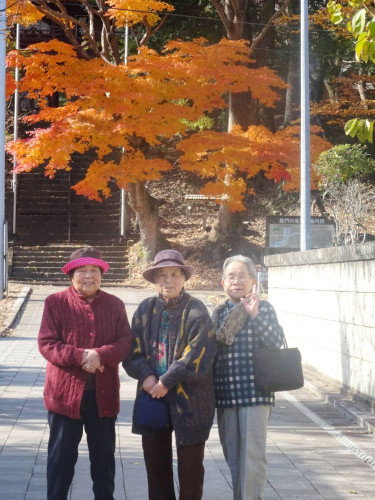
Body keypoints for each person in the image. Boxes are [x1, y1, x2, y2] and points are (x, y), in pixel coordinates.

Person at [38, 247, 133, 500]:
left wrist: (101, 355)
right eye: (82, 270)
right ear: (71, 275)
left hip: (103, 399)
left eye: (94, 270)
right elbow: (47, 343)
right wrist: (82, 356)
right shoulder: (55, 303)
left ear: (102, 274)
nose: (88, 276)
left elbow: (125, 341)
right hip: (64, 399)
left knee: (104, 465)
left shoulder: (115, 305)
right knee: (60, 463)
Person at [123, 249, 217, 500]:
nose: (168, 280)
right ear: (155, 279)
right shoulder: (144, 309)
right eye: (162, 275)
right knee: (156, 469)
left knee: (191, 474)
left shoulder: (197, 310)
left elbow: (199, 355)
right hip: (152, 398)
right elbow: (132, 352)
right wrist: (147, 376)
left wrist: (166, 380)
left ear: (183, 277)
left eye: (174, 274)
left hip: (192, 402)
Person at [213, 255, 285, 500]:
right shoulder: (218, 313)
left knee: (252, 457)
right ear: (223, 283)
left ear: (253, 281)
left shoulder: (263, 308)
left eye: (242, 276)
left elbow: (276, 343)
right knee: (233, 457)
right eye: (231, 277)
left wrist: (254, 315)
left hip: (255, 394)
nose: (236, 281)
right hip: (225, 396)